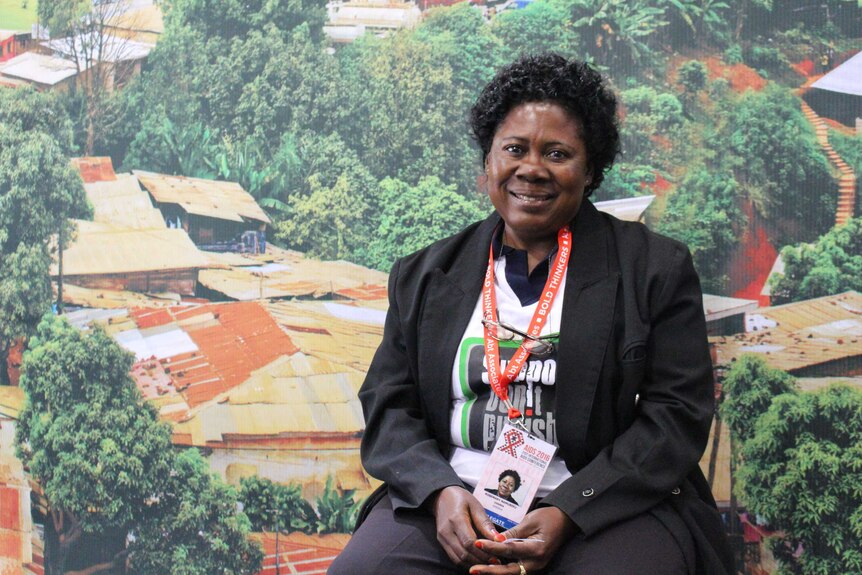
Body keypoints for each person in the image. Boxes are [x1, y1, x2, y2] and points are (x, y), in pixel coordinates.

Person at [329, 53, 732, 575]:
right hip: (455, 503)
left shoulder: (653, 270)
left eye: (557, 153)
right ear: (489, 162)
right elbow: (388, 406)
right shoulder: (426, 275)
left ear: (590, 170)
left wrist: (571, 508)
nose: (532, 169)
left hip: (602, 504)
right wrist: (440, 492)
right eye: (514, 149)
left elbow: (675, 416)